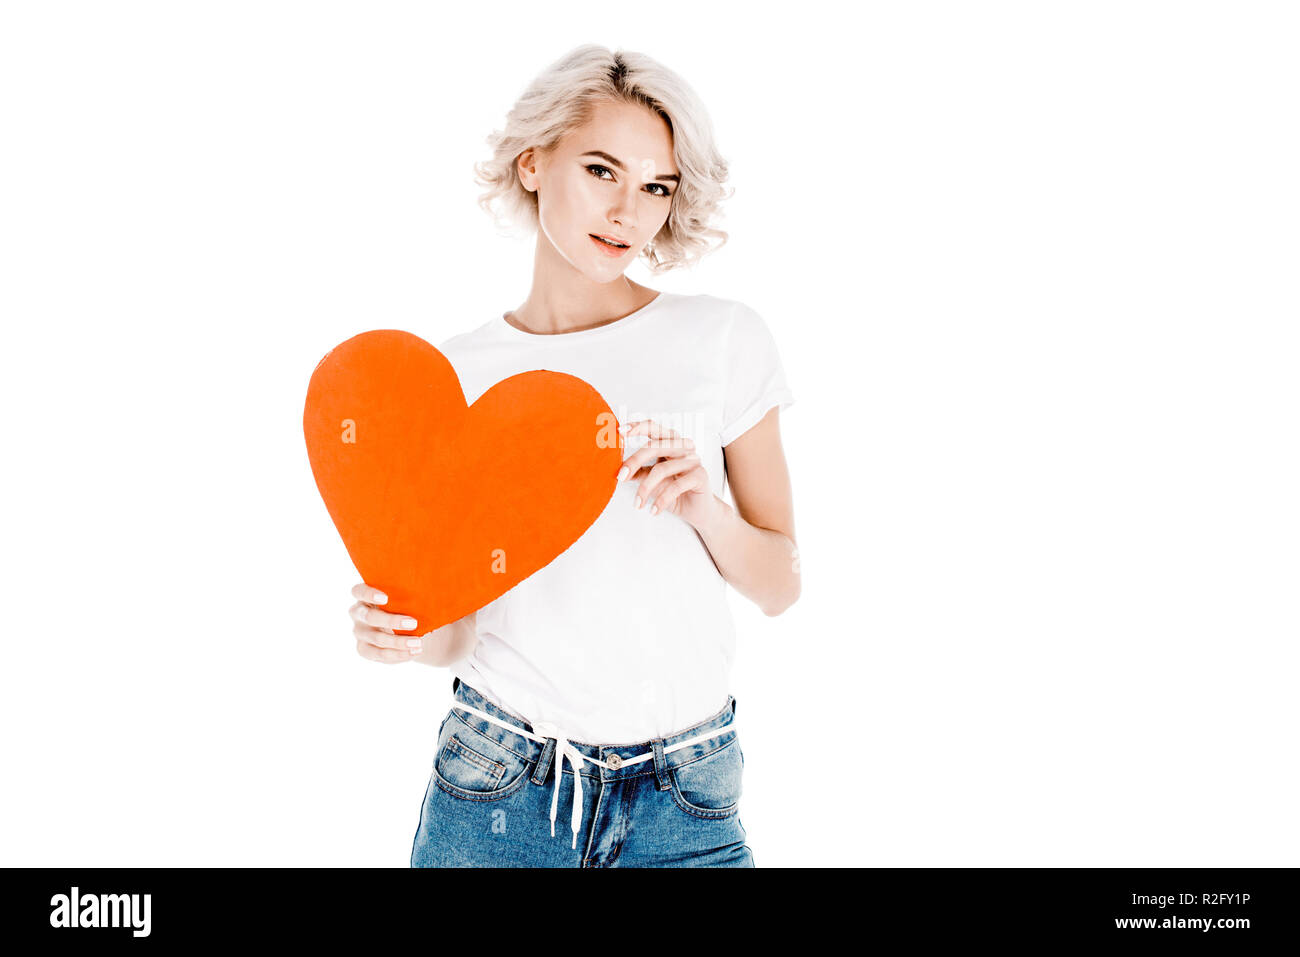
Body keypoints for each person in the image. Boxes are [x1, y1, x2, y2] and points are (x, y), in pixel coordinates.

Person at [347, 44, 799, 867]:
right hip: (500, 783)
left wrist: (705, 508)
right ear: (532, 162)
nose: (629, 211)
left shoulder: (722, 337)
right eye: (602, 170)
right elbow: (461, 634)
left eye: (656, 186)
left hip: (684, 794)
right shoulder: (457, 376)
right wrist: (408, 631)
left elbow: (781, 582)